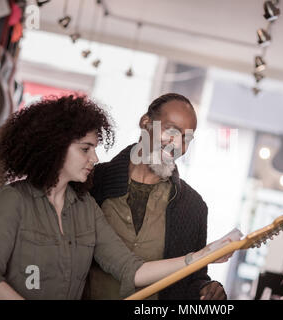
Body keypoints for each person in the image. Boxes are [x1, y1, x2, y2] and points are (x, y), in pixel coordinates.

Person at [0, 95, 225, 300]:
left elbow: (131, 269)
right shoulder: (19, 198)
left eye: (186, 138)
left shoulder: (85, 207)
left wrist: (202, 255)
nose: (95, 158)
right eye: (85, 149)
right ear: (54, 147)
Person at [83, 93, 228, 300]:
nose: (177, 144)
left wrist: (206, 288)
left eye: (186, 138)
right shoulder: (94, 182)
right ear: (146, 122)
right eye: (171, 130)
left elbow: (192, 278)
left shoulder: (193, 207)